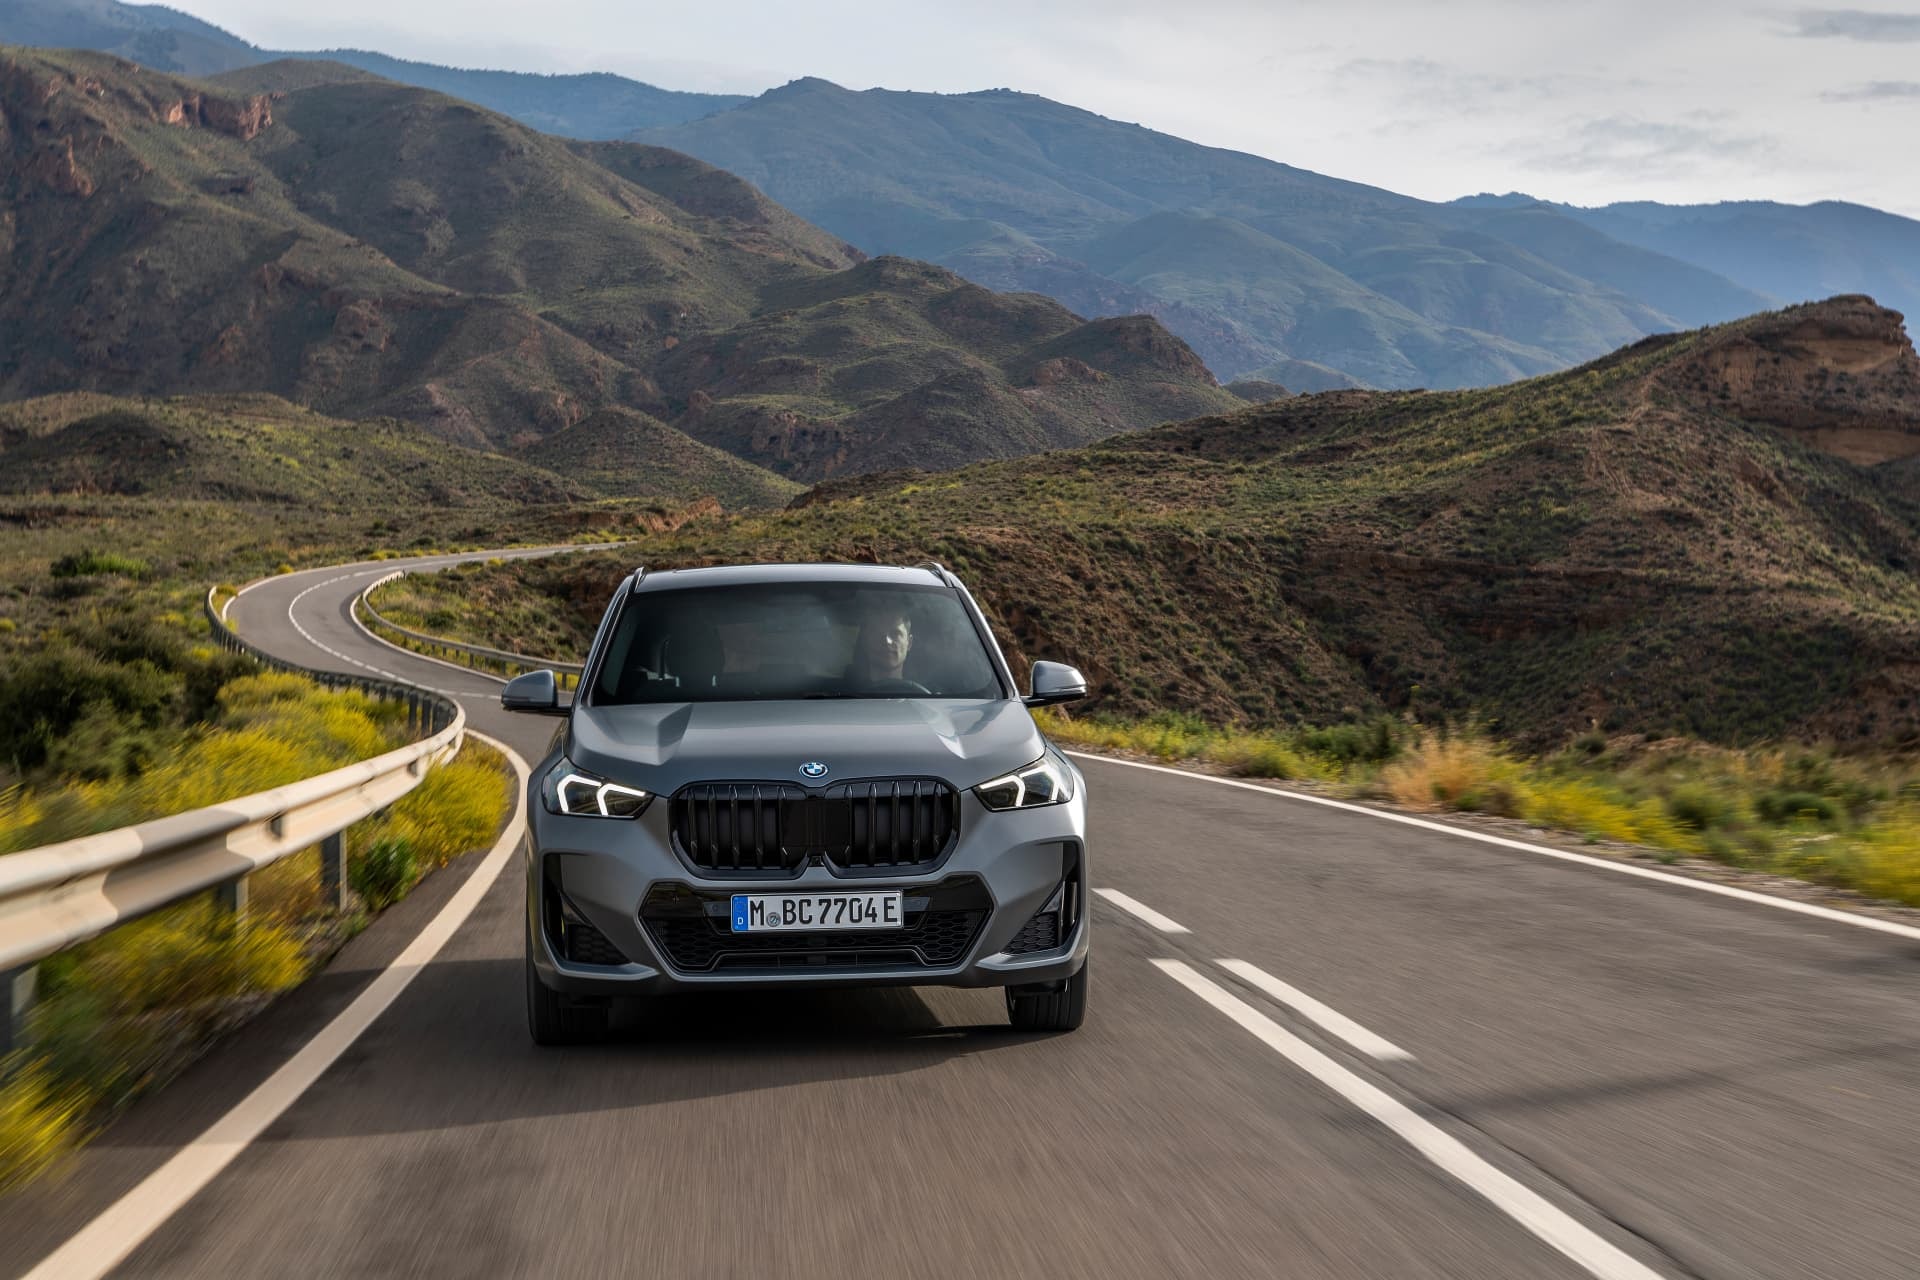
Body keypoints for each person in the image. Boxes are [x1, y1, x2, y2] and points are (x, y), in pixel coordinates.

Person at [845, 603, 914, 687]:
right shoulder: (839, 695)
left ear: (909, 643)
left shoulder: (929, 697)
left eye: (895, 634)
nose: (887, 641)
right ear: (865, 642)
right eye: (877, 634)